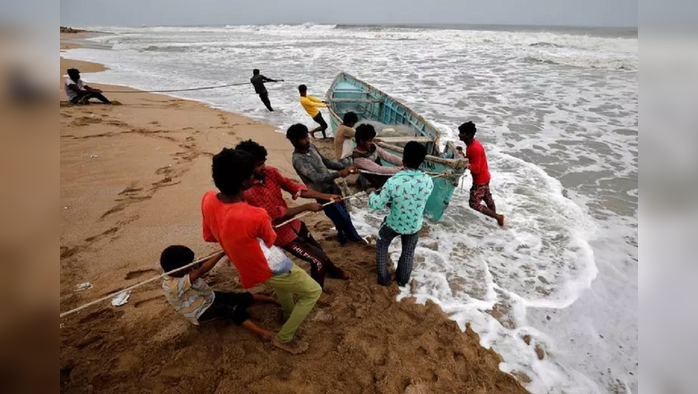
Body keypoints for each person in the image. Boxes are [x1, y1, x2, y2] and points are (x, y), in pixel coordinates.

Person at [201, 148, 322, 354]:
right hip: (268, 264)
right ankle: (284, 338)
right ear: (244, 182)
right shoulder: (255, 215)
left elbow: (210, 236)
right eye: (251, 173)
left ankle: (287, 311)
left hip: (246, 265)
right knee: (313, 292)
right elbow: (270, 239)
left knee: (282, 287)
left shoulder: (209, 198)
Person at [235, 140, 351, 298]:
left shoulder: (270, 173)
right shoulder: (246, 192)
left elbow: (295, 188)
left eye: (263, 163)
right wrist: (306, 207)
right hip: (280, 236)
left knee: (320, 252)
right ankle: (317, 293)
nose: (263, 167)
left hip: (295, 224)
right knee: (317, 261)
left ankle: (334, 272)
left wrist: (325, 196)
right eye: (258, 165)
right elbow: (275, 214)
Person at [161, 245, 277, 340]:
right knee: (233, 311)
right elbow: (202, 270)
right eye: (188, 265)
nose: (192, 266)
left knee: (240, 297)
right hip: (200, 310)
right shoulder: (172, 285)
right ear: (178, 269)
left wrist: (223, 247)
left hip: (209, 296)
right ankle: (262, 333)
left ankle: (272, 300)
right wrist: (223, 253)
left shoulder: (182, 269)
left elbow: (202, 262)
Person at [368, 142, 434, 287]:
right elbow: (414, 200)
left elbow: (376, 205)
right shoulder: (428, 180)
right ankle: (403, 280)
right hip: (414, 224)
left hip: (394, 223)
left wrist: (373, 193)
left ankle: (383, 279)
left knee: (382, 243)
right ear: (422, 161)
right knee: (408, 252)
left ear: (403, 160)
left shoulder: (393, 182)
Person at [286, 123, 363, 245]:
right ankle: (353, 238)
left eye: (307, 136)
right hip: (321, 193)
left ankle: (345, 236)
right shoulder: (298, 160)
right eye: (303, 138)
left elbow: (326, 162)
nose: (307, 140)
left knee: (344, 213)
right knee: (339, 217)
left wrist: (345, 167)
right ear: (294, 141)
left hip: (332, 187)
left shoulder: (311, 147)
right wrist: (339, 174)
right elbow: (317, 178)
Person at [458, 121, 505, 227]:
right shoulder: (471, 145)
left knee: (473, 203)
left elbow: (476, 169)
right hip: (485, 176)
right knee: (487, 198)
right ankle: (495, 220)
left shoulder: (474, 148)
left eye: (462, 133)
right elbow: (473, 161)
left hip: (480, 179)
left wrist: (465, 164)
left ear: (469, 135)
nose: (459, 135)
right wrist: (464, 157)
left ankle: (497, 217)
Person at [352, 124, 404, 189]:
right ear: (361, 141)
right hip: (373, 180)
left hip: (380, 175)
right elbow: (378, 169)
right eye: (369, 140)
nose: (371, 142)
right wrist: (400, 170)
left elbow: (387, 156)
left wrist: (404, 162)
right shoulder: (358, 158)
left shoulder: (372, 146)